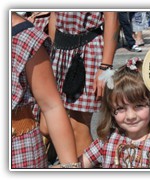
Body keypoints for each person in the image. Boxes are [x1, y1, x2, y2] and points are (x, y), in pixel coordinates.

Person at [75, 57, 150, 168]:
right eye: (120, 108)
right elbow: (78, 165)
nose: (130, 116)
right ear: (111, 110)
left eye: (139, 106)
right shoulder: (107, 141)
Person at [39, 12, 119, 163]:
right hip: (59, 50)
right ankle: (67, 160)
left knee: (78, 126)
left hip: (86, 50)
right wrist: (51, 52)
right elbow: (54, 15)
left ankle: (79, 168)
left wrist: (105, 66)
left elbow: (111, 17)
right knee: (45, 125)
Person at [11, 12, 78, 168]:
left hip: (18, 150)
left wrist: (70, 167)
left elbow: (51, 106)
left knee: (80, 123)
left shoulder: (23, 35)